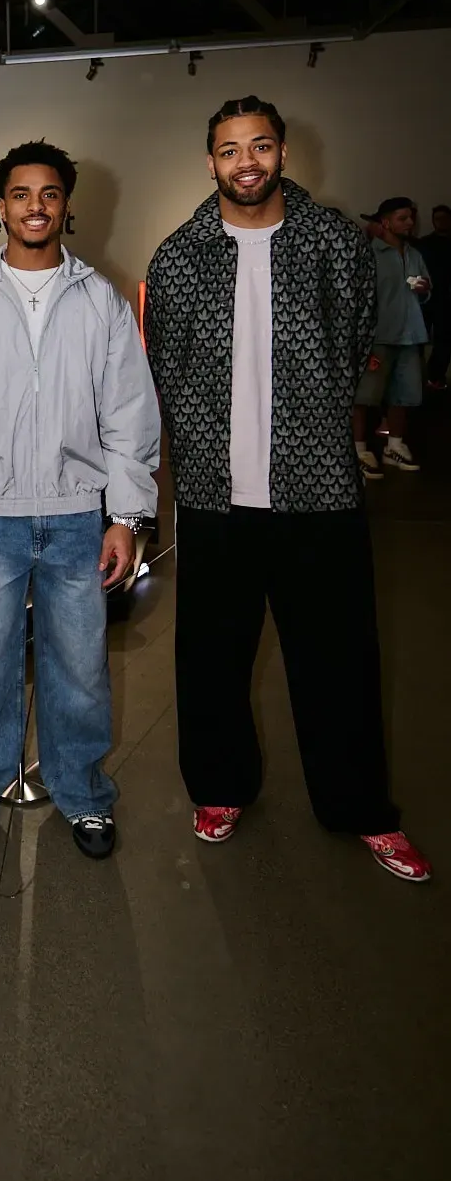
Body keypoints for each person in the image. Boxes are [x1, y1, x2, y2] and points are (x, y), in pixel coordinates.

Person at [146, 97, 430, 882]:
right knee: (211, 659)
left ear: (282, 153)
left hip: (318, 493)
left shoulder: (336, 240)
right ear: (211, 161)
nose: (246, 161)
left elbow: (352, 347)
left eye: (260, 146)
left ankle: (361, 810)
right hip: (214, 493)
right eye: (230, 149)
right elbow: (165, 362)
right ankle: (219, 788)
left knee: (338, 660)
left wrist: (305, 435)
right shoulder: (179, 256)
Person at [0, 141, 159, 860]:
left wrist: (126, 516)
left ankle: (82, 796)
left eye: (49, 194)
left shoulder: (101, 301)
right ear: (1, 207)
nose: (36, 207)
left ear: (66, 206)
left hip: (80, 517)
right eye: (21, 194)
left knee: (79, 669)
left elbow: (128, 416)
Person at [352, 197, 431, 478]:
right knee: (364, 396)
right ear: (385, 222)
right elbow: (358, 300)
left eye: (411, 218)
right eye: (402, 218)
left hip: (410, 336)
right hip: (378, 338)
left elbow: (425, 291)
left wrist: (424, 290)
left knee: (404, 396)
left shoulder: (414, 255)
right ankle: (359, 450)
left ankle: (394, 447)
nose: (410, 223)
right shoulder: (369, 255)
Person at [418, 203, 451, 391]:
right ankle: (419, 377)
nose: (441, 222)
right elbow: (415, 270)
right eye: (438, 218)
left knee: (444, 341)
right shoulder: (424, 244)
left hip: (446, 301)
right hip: (425, 299)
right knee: (418, 341)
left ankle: (435, 377)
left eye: (445, 218)